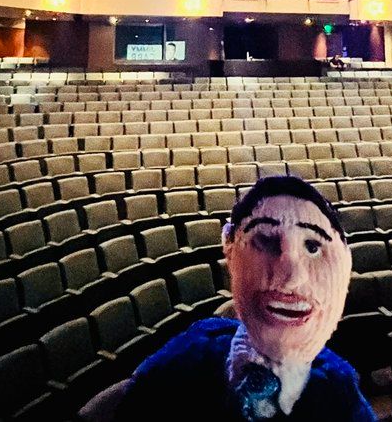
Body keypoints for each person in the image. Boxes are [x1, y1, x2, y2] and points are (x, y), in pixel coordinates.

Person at [111, 176, 374, 421]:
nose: (292, 278)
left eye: (313, 246)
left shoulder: (338, 388)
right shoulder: (192, 351)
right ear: (229, 248)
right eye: (266, 241)